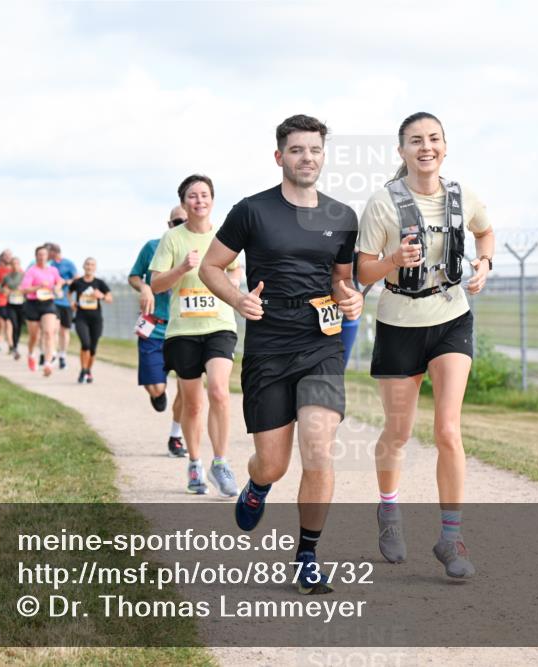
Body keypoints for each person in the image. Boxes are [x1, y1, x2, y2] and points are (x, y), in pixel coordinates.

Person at [200, 114, 362, 594]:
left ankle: (308, 556)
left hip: (320, 341)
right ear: (279, 157)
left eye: (314, 150)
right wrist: (237, 299)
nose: (306, 158)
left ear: (323, 156)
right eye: (296, 150)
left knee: (318, 446)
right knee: (273, 463)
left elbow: (341, 279)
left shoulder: (342, 217)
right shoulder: (252, 211)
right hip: (269, 343)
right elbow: (212, 266)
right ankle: (258, 485)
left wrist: (350, 296)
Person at [356, 111, 494, 579]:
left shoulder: (462, 196)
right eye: (415, 140)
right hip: (398, 322)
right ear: (401, 151)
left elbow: (484, 229)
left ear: (445, 146)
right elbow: (361, 272)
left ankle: (450, 536)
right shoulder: (383, 204)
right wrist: (393, 259)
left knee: (448, 431)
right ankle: (389, 509)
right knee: (398, 433)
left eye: (434, 139)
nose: (426, 147)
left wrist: (485, 262)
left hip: (451, 317)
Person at [150, 174, 242, 497]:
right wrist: (181, 269)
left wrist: (233, 280)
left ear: (212, 200)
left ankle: (221, 462)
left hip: (219, 324)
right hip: (183, 330)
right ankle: (194, 462)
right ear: (184, 202)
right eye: (192, 196)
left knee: (218, 391)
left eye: (204, 195)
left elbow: (235, 276)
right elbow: (156, 284)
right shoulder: (172, 239)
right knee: (192, 404)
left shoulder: (225, 237)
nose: (199, 200)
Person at [128, 207, 188, 458]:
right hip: (154, 325)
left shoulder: (201, 247)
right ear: (169, 223)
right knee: (156, 388)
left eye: (185, 221)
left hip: (185, 328)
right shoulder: (152, 247)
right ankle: (158, 392)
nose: (181, 224)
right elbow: (133, 276)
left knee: (187, 388)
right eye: (177, 221)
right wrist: (145, 287)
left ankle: (176, 436)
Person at [19, 246, 63, 376]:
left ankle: (48, 364)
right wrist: (39, 286)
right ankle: (31, 354)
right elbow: (24, 290)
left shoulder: (53, 270)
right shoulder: (31, 271)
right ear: (36, 256)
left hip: (48, 303)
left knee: (49, 333)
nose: (42, 257)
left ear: (47, 256)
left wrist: (57, 287)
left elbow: (59, 281)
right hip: (33, 303)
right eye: (39, 254)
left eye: (44, 254)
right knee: (35, 336)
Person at [70, 258, 112, 383]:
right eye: (87, 264)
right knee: (85, 344)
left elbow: (110, 298)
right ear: (83, 266)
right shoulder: (77, 282)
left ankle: (88, 371)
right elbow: (69, 292)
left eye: (92, 265)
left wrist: (102, 296)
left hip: (96, 319)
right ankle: (83, 370)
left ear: (95, 268)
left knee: (93, 348)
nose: (89, 266)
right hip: (81, 318)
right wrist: (71, 302)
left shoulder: (99, 283)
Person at [47, 243, 78, 370]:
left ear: (54, 252)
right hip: (53, 301)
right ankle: (53, 353)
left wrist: (66, 282)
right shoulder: (50, 265)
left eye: (49, 252)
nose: (47, 255)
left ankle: (62, 355)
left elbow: (76, 279)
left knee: (64, 331)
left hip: (65, 302)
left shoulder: (68, 263)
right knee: (52, 329)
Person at [0, 257, 26, 359]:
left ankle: (15, 345)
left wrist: (23, 289)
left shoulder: (24, 276)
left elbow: (30, 286)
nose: (15, 266)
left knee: (19, 326)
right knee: (13, 324)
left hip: (22, 304)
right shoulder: (6, 277)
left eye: (17, 263)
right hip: (11, 304)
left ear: (19, 265)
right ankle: (14, 347)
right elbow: (1, 288)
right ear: (10, 265)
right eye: (13, 264)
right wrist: (4, 290)